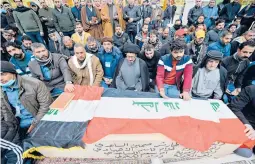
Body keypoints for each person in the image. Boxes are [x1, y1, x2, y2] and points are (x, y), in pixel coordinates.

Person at [0, 61, 52, 138]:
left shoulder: (34, 84)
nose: (0, 79)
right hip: (20, 124)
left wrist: (35, 124)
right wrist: (12, 129)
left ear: (13, 73)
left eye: (2, 74)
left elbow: (46, 106)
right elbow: (5, 111)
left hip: (39, 120)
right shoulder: (1, 89)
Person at [228, 85, 255, 157]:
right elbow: (234, 107)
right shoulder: (251, 90)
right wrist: (247, 124)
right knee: (246, 153)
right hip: (245, 125)